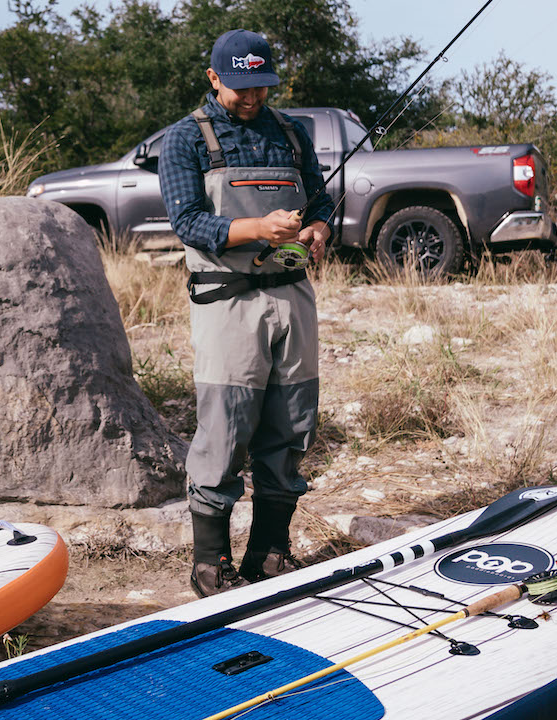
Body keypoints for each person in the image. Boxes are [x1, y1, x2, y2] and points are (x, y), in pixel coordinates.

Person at [158, 28, 334, 596]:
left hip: (293, 294)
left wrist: (317, 227)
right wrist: (257, 228)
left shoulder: (292, 133)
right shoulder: (185, 140)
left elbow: (323, 197)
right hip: (225, 298)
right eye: (240, 88)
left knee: (292, 423)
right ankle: (210, 564)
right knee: (226, 428)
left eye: (261, 86)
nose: (252, 98)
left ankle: (269, 554)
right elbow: (188, 221)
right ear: (214, 79)